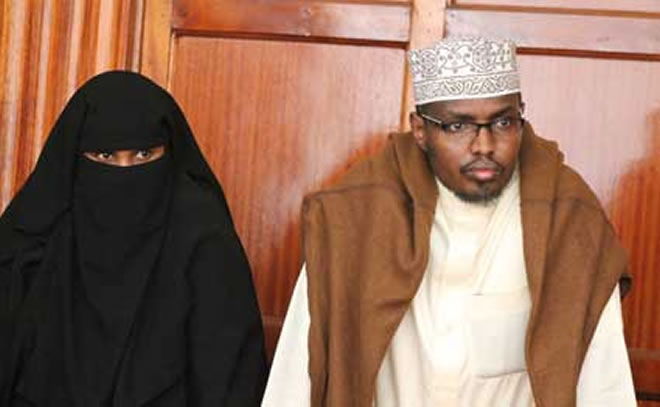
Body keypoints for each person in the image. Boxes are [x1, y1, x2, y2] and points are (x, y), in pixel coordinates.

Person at [263, 37, 637, 406]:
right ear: (420, 130)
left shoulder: (569, 220)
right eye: (458, 127)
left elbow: (604, 381)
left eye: (503, 122)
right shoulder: (354, 215)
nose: (484, 145)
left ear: (521, 118)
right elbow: (297, 373)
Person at [0, 71, 267, 405]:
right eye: (105, 156)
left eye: (143, 155)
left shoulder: (202, 237)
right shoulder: (36, 241)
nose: (124, 172)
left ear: (170, 152)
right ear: (75, 157)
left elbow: (231, 382)